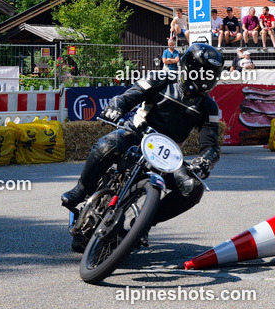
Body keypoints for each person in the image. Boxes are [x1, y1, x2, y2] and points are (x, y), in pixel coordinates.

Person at [61, 43, 224, 245]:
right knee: (106, 145)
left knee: (193, 188)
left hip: (167, 155)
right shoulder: (161, 79)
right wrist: (116, 106)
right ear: (188, 67)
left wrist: (205, 161)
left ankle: (145, 223)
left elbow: (211, 146)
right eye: (202, 72)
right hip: (136, 135)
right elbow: (130, 95)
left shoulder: (209, 107)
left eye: (211, 75)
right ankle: (81, 189)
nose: (206, 79)